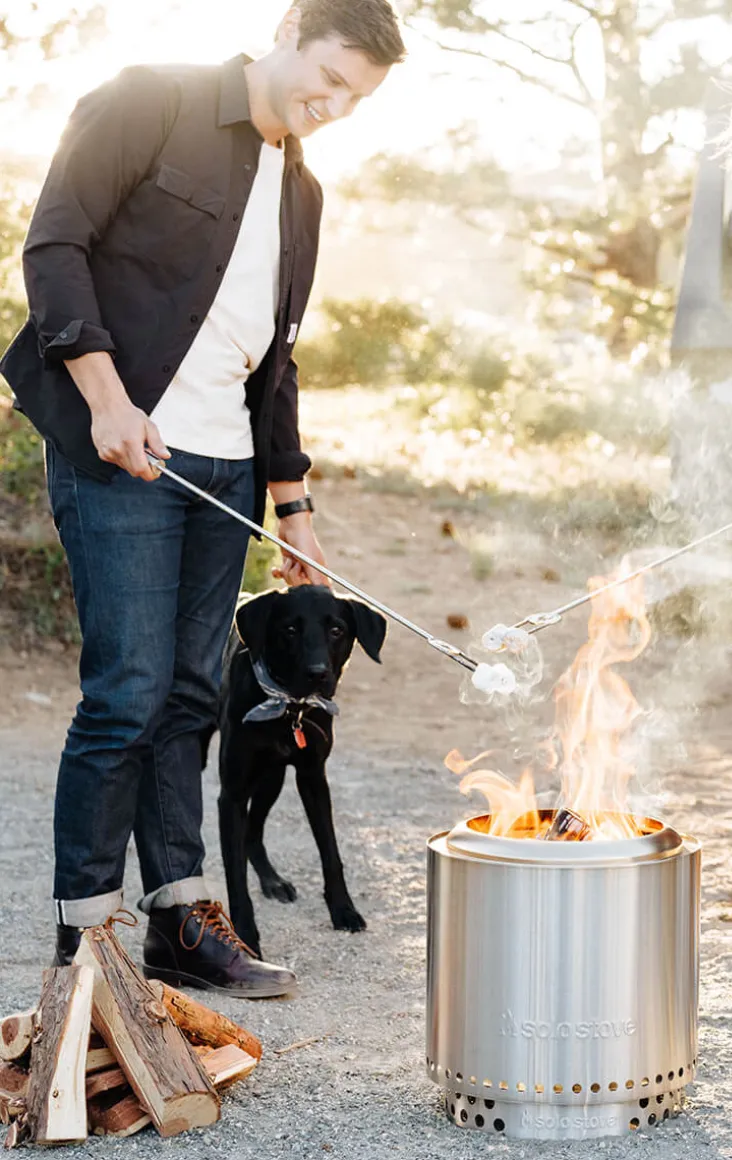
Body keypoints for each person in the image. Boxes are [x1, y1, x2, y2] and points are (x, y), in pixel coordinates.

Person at [0, 0, 405, 996]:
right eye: (331, 78)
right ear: (290, 28)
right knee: (126, 695)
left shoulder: (302, 192)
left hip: (225, 472)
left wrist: (293, 506)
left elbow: (279, 358)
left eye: (356, 99)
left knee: (190, 699)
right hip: (124, 452)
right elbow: (55, 245)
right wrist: (105, 398)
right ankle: (86, 941)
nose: (335, 106)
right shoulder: (152, 101)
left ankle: (179, 921)